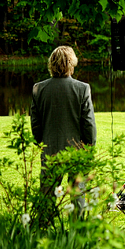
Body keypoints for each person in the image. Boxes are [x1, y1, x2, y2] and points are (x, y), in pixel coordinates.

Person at [30, 46, 97, 195]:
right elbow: (88, 123)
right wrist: (90, 145)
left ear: (51, 64)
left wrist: (41, 142)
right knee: (78, 195)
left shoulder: (38, 88)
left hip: (49, 149)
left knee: (47, 197)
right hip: (76, 150)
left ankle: (45, 219)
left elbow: (35, 124)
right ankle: (77, 219)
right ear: (71, 65)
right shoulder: (82, 88)